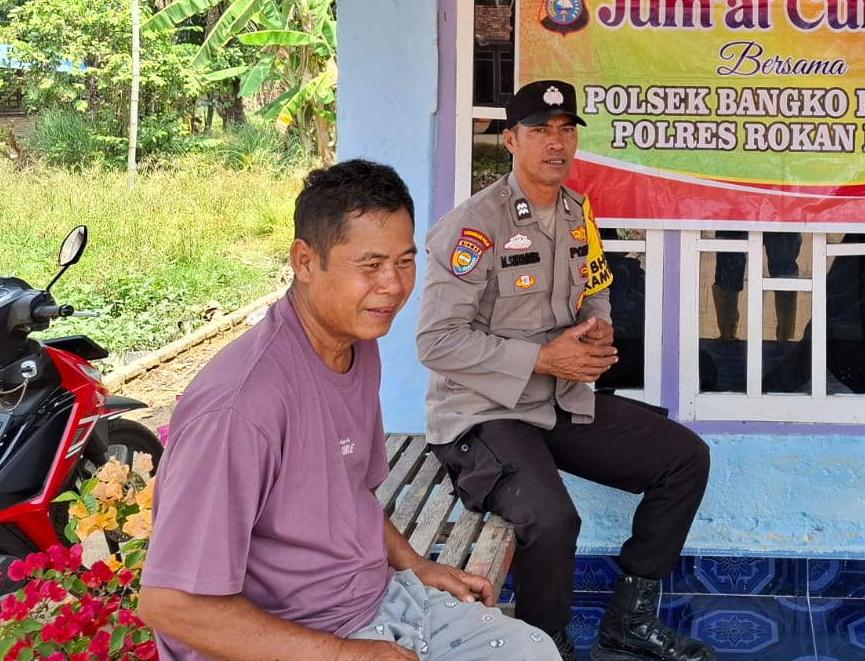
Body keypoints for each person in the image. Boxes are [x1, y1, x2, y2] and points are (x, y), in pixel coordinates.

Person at [138, 160, 558, 661]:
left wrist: (416, 564)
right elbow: (172, 605)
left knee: (533, 650)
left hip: (377, 603)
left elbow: (351, 489)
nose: (393, 285)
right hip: (292, 639)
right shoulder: (240, 408)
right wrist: (342, 653)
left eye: (404, 261)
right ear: (304, 261)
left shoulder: (355, 343)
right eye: (370, 265)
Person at [416, 79, 715, 661]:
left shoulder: (578, 213)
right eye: (539, 130)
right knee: (552, 519)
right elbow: (436, 342)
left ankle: (628, 621)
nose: (556, 142)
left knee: (684, 458)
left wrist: (597, 326)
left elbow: (595, 288)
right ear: (510, 140)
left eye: (565, 129)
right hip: (484, 413)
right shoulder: (475, 225)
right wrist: (542, 358)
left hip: (558, 399)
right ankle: (544, 646)